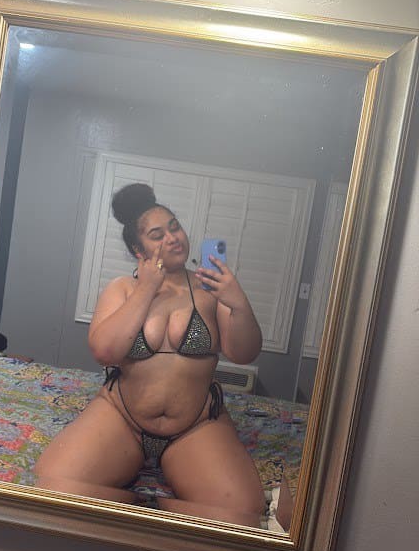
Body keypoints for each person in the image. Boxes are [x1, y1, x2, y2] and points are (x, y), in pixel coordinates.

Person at [35, 183, 266, 527]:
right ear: (137, 248)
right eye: (157, 235)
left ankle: (158, 512)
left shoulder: (210, 289)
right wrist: (146, 287)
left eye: (175, 227)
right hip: (121, 418)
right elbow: (104, 352)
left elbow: (243, 352)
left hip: (195, 425)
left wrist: (239, 304)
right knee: (51, 487)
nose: (172, 238)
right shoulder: (123, 288)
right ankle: (137, 507)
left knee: (243, 516)